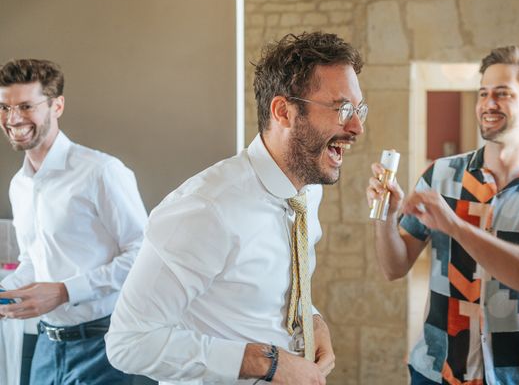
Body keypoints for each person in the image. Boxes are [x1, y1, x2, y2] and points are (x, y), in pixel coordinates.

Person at [105, 31, 367, 385]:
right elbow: (128, 342)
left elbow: (273, 289)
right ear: (284, 112)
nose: (357, 127)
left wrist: (313, 320)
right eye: (342, 110)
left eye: (359, 109)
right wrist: (265, 362)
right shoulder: (205, 209)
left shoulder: (305, 191)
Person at [367, 44, 519, 385]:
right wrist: (385, 216)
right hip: (436, 371)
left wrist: (456, 226)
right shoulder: (439, 176)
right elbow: (394, 267)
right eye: (483, 93)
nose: (487, 104)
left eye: (502, 94)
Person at [0, 59, 147, 384]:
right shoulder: (19, 185)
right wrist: (3, 289)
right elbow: (33, 261)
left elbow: (144, 256)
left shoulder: (101, 172)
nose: (12, 119)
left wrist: (66, 291)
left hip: (102, 346)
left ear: (57, 106)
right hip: (45, 347)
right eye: (4, 107)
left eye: (25, 106)